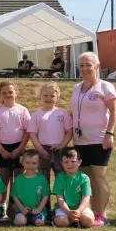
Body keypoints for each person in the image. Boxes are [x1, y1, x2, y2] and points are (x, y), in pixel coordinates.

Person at [69, 51, 116, 226]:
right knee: (87, 179)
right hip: (80, 141)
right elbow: (74, 112)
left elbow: (114, 111)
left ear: (97, 66)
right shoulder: (76, 88)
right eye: (81, 65)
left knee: (99, 178)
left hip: (100, 139)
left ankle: (102, 214)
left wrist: (109, 133)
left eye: (88, 65)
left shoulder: (105, 86)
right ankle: (90, 211)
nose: (84, 69)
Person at [0, 81, 31, 218]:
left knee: (17, 180)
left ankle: (16, 207)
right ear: (0, 94)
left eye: (10, 92)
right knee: (3, 179)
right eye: (4, 92)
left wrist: (19, 149)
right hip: (2, 148)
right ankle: (2, 207)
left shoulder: (22, 110)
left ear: (16, 93)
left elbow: (27, 132)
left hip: (18, 147)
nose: (7, 95)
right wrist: (1, 150)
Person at [27, 81, 72, 211]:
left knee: (61, 178)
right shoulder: (36, 115)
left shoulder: (63, 113)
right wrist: (40, 149)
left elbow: (69, 131)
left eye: (52, 96)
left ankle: (61, 207)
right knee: (43, 180)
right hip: (43, 151)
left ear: (57, 97)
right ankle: (43, 207)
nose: (48, 98)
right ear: (40, 96)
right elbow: (32, 134)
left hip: (59, 150)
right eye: (45, 95)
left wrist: (62, 144)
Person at [52, 148, 95, 228]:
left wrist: (79, 211)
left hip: (81, 208)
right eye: (66, 162)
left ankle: (76, 219)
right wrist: (68, 212)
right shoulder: (60, 178)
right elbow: (60, 199)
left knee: (89, 221)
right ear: (62, 163)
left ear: (79, 162)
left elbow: (86, 198)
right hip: (64, 209)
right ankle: (66, 219)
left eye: (73, 161)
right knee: (62, 222)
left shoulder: (84, 178)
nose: (70, 164)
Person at [11, 150, 49, 227]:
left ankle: (36, 219)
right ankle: (20, 219)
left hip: (38, 211)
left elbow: (45, 196)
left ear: (38, 164)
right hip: (22, 211)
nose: (31, 166)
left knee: (39, 223)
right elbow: (14, 195)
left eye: (34, 163)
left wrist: (38, 209)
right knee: (20, 222)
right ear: (22, 163)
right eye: (27, 163)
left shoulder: (42, 179)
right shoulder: (18, 180)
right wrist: (21, 208)